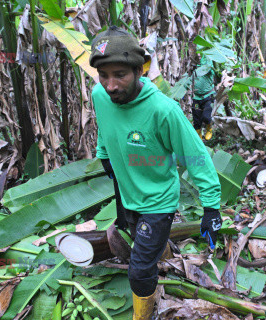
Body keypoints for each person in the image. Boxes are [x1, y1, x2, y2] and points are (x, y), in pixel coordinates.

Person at [89, 26, 222, 320]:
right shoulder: (100, 95)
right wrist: (104, 155)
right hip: (127, 192)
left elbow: (196, 157)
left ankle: (143, 316)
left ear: (139, 71)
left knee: (139, 270)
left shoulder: (164, 110)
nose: (111, 85)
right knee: (136, 238)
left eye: (119, 74)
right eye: (104, 75)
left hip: (158, 201)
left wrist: (211, 207)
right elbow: (104, 126)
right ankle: (159, 253)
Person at [192, 55, 216, 140]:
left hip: (207, 96)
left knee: (206, 116)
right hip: (196, 97)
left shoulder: (208, 65)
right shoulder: (193, 66)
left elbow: (209, 67)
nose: (198, 55)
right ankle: (199, 135)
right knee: (196, 119)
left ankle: (209, 127)